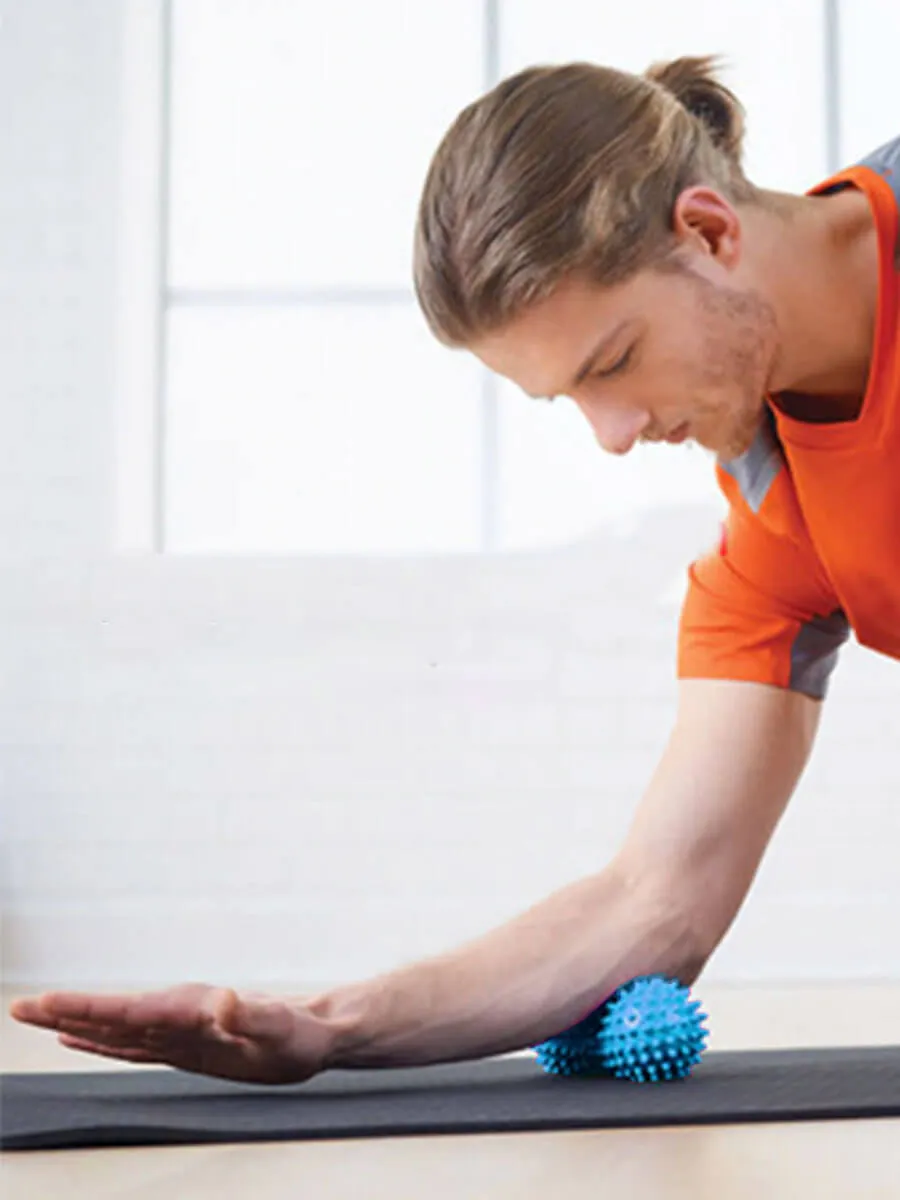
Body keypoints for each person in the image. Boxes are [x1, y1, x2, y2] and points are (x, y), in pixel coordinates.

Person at [10, 56, 899, 1086]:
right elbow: (654, 899)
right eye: (567, 397)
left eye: (611, 361)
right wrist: (325, 1026)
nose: (611, 435)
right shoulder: (779, 524)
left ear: (708, 232)